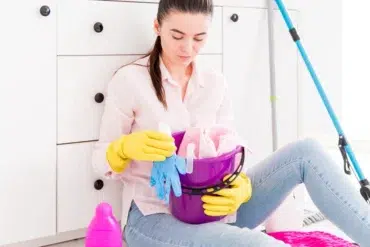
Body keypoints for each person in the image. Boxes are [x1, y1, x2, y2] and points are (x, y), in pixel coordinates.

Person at [92, 0, 370, 246]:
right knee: (258, 244)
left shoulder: (214, 82)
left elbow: (233, 148)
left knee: (306, 153)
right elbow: (99, 161)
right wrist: (123, 148)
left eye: (199, 38)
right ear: (157, 27)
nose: (188, 48)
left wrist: (242, 187)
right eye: (177, 36)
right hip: (153, 218)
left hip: (213, 208)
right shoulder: (130, 81)